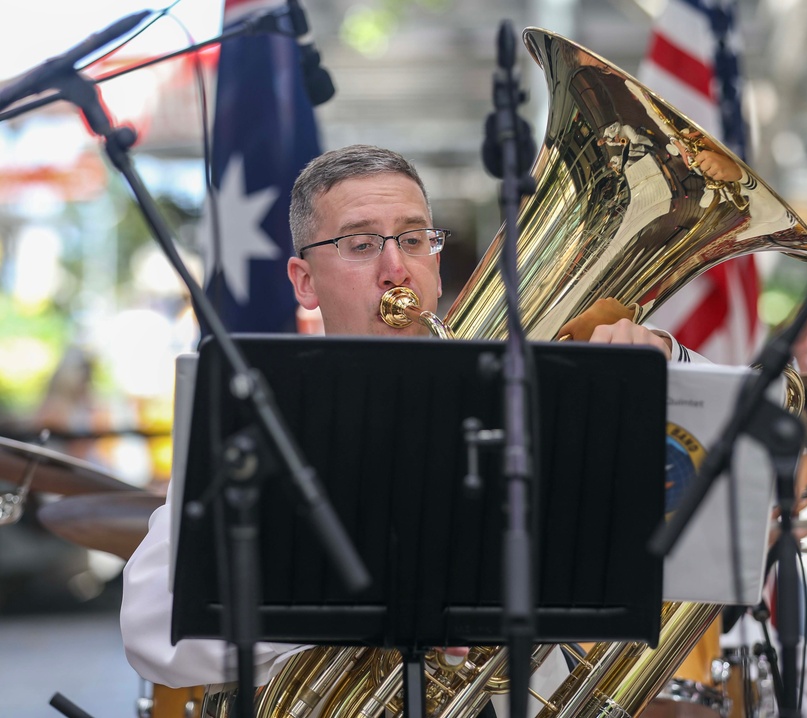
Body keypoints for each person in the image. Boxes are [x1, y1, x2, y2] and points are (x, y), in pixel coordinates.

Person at [120, 145, 703, 707]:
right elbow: (152, 623)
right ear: (304, 281)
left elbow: (714, 475)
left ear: (436, 260)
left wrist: (667, 372)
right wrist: (374, 609)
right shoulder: (260, 417)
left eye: (414, 239)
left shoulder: (531, 401)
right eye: (360, 245)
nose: (395, 268)